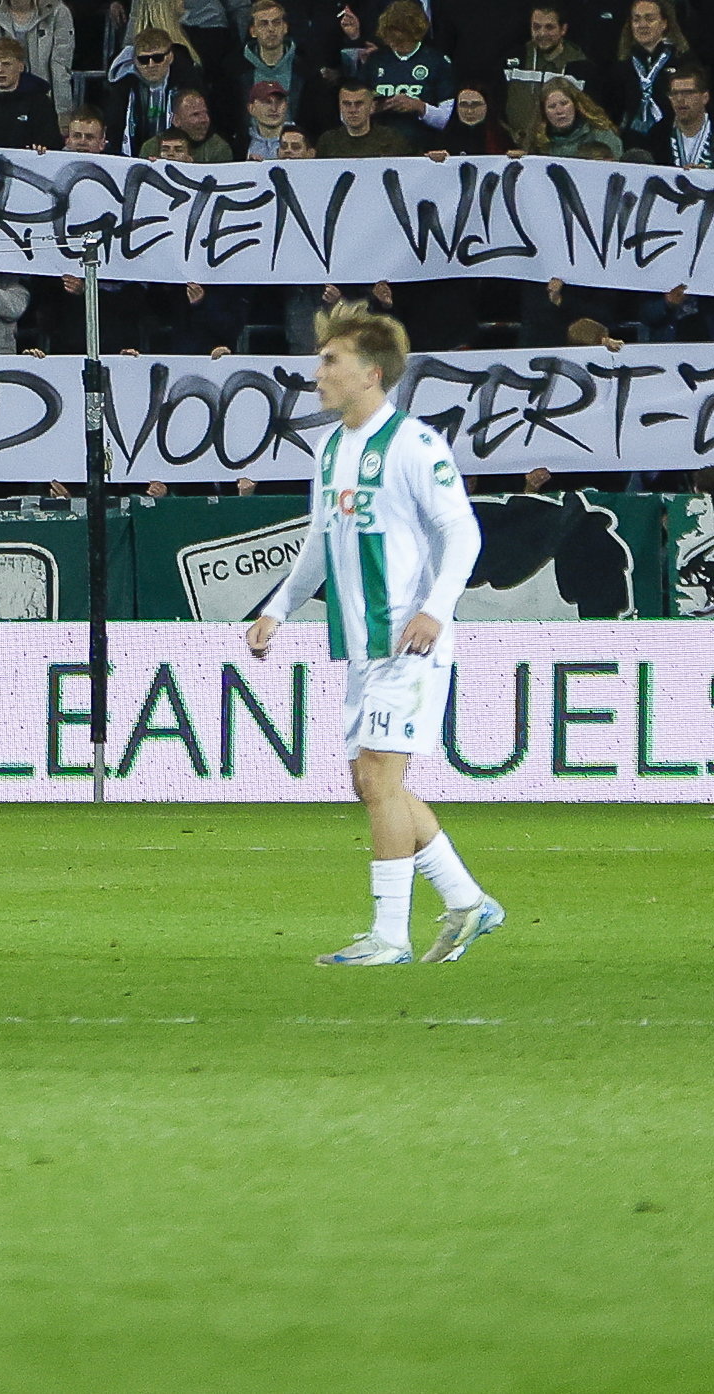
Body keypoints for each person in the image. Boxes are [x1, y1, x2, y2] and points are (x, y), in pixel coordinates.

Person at [241, 308, 499, 967]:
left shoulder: (412, 444)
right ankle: (467, 901)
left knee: (381, 779)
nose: (316, 372)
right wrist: (276, 609)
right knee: (369, 781)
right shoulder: (331, 449)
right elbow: (318, 547)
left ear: (370, 373)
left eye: (330, 360)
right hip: (362, 647)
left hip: (410, 642)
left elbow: (461, 531)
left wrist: (436, 609)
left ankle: (389, 935)